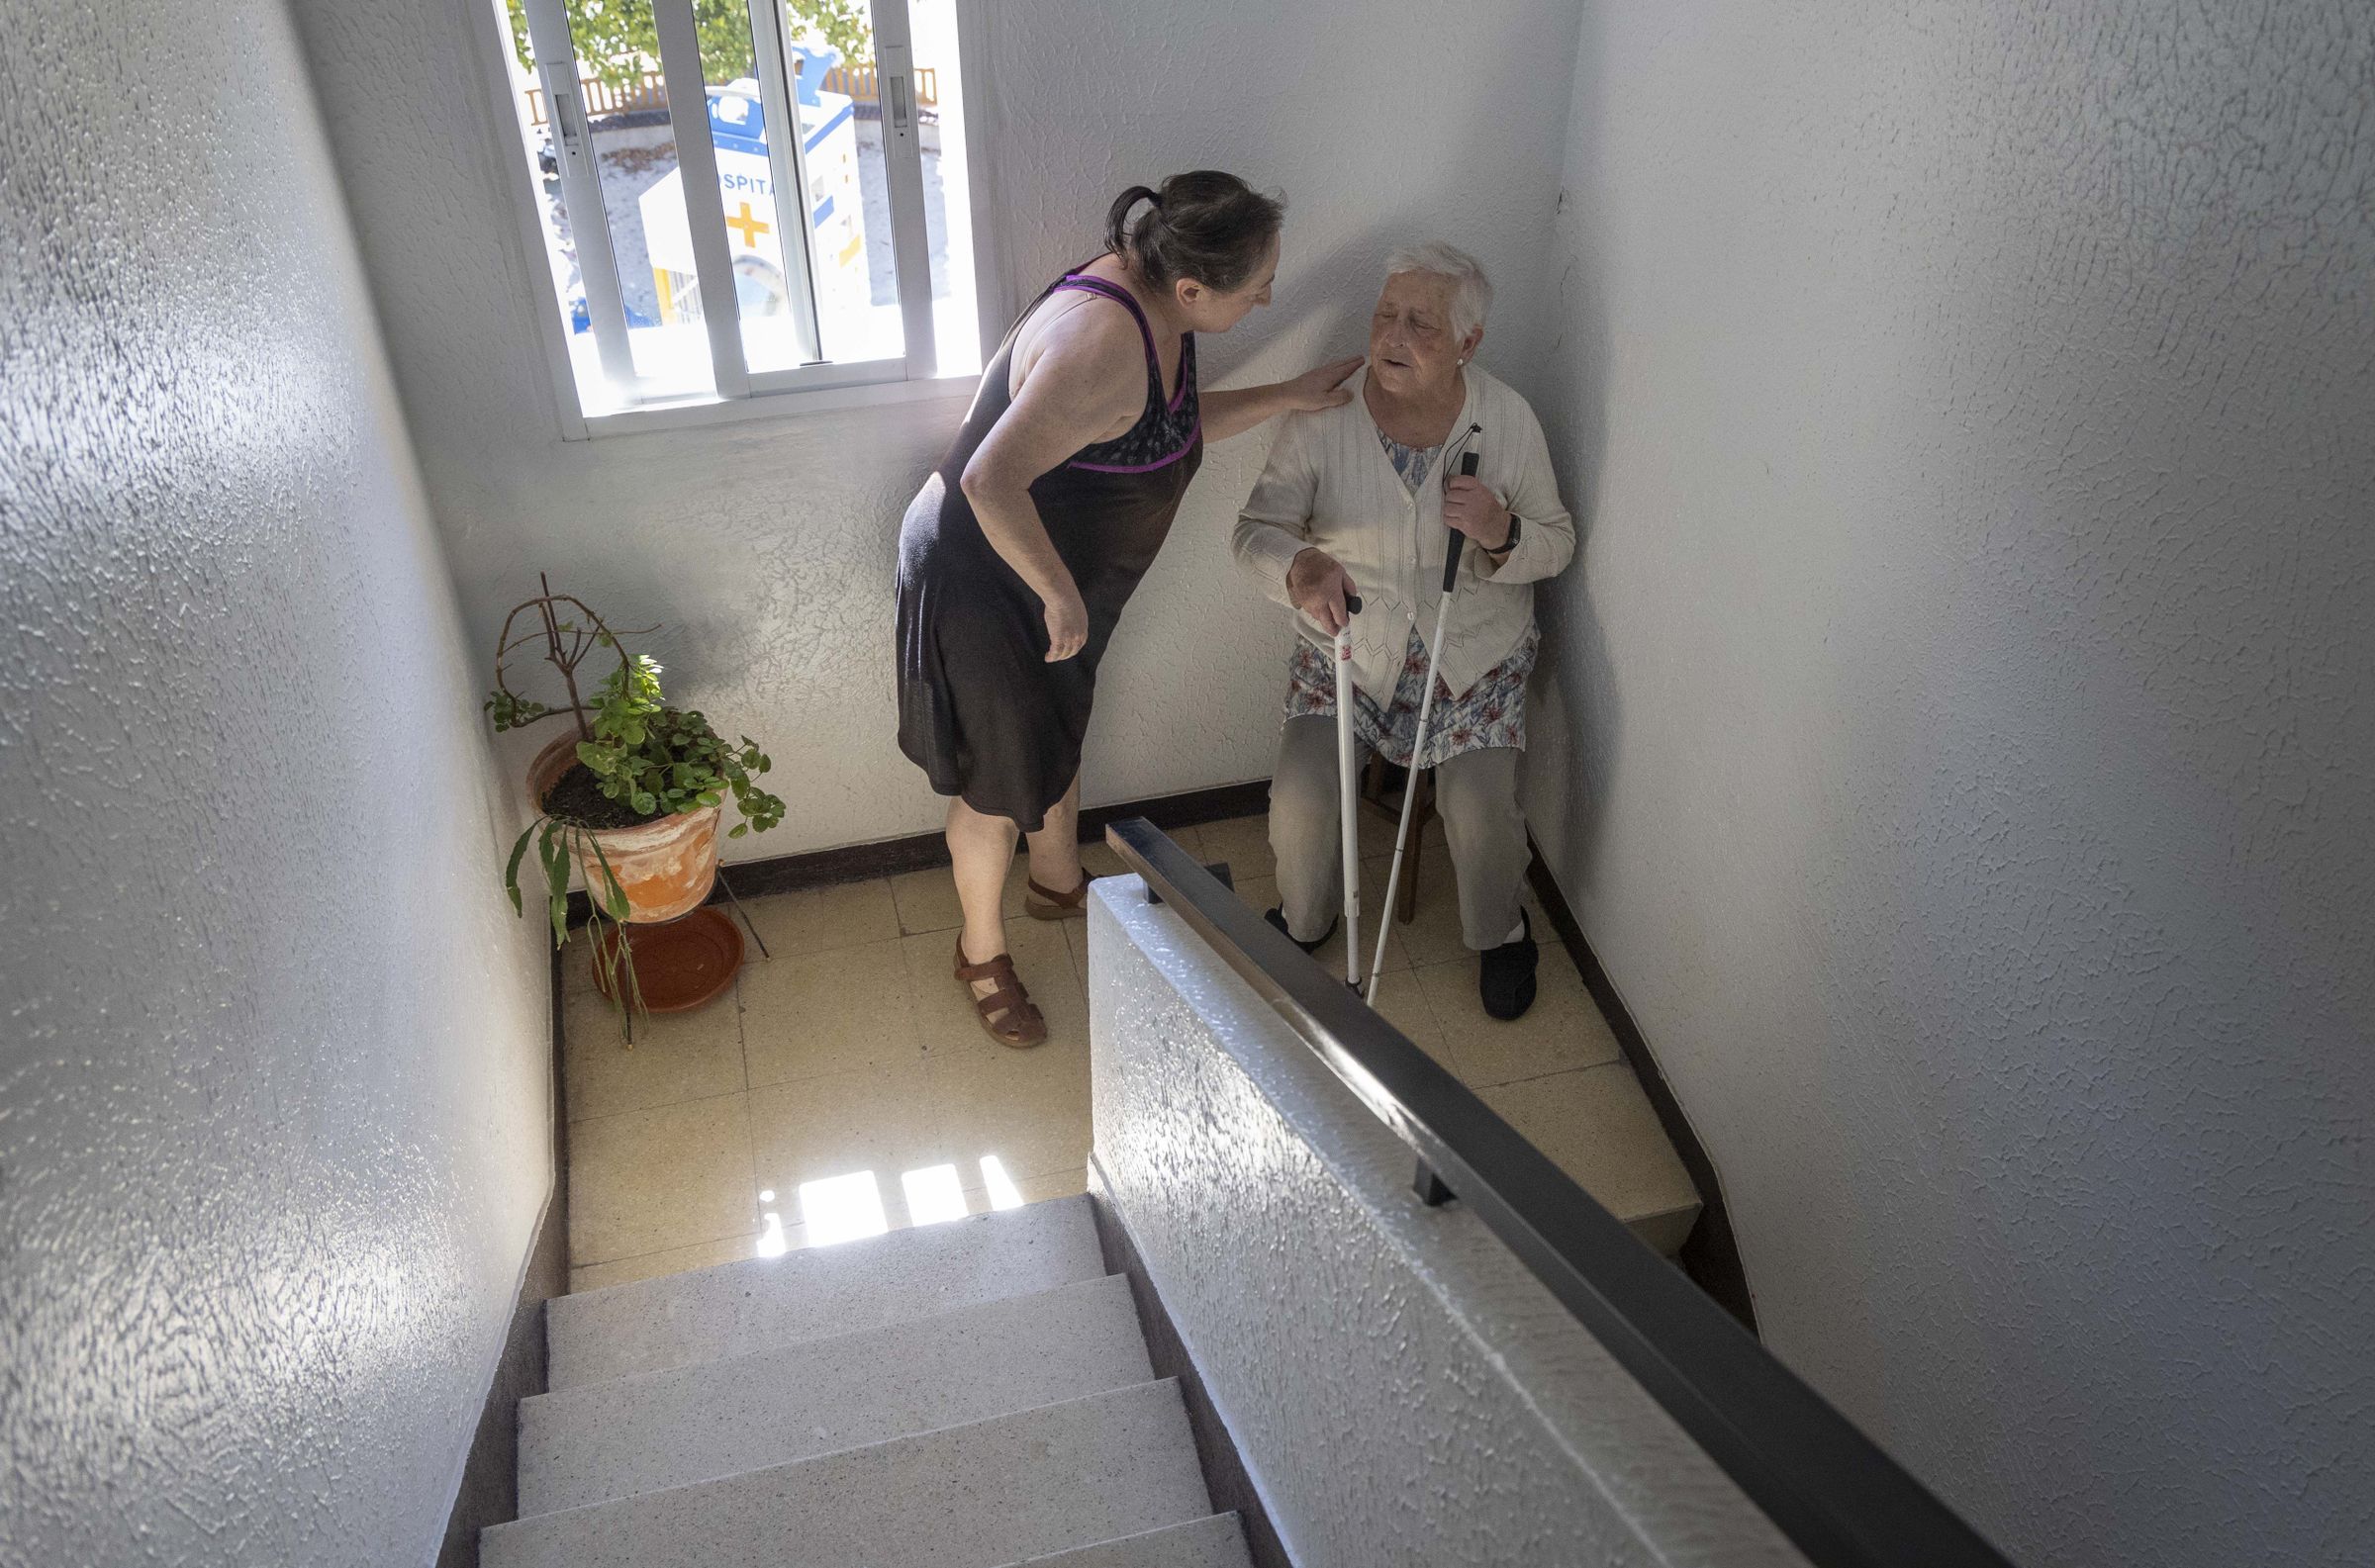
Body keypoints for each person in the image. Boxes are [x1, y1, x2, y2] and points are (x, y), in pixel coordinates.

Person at [898, 172, 1364, 1047]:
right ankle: (980, 951)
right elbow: (987, 479)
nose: (1269, 295)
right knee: (998, 779)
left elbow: (1161, 425)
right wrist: (1057, 591)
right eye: (1257, 283)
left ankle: (1057, 878)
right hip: (989, 576)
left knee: (1058, 725)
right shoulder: (1103, 344)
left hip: (1040, 573)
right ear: (1192, 286)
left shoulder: (1157, 295)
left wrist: (1285, 394)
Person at [1233, 242, 1574, 1020]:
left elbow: (1557, 542)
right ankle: (1306, 919)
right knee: (1304, 798)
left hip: (1473, 656)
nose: (1391, 334)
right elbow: (1255, 529)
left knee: (1483, 811)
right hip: (1347, 652)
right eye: (1385, 313)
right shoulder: (1328, 412)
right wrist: (1299, 569)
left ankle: (1502, 933)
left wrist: (1500, 529)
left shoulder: (1508, 418)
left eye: (1420, 321)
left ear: (1467, 343)